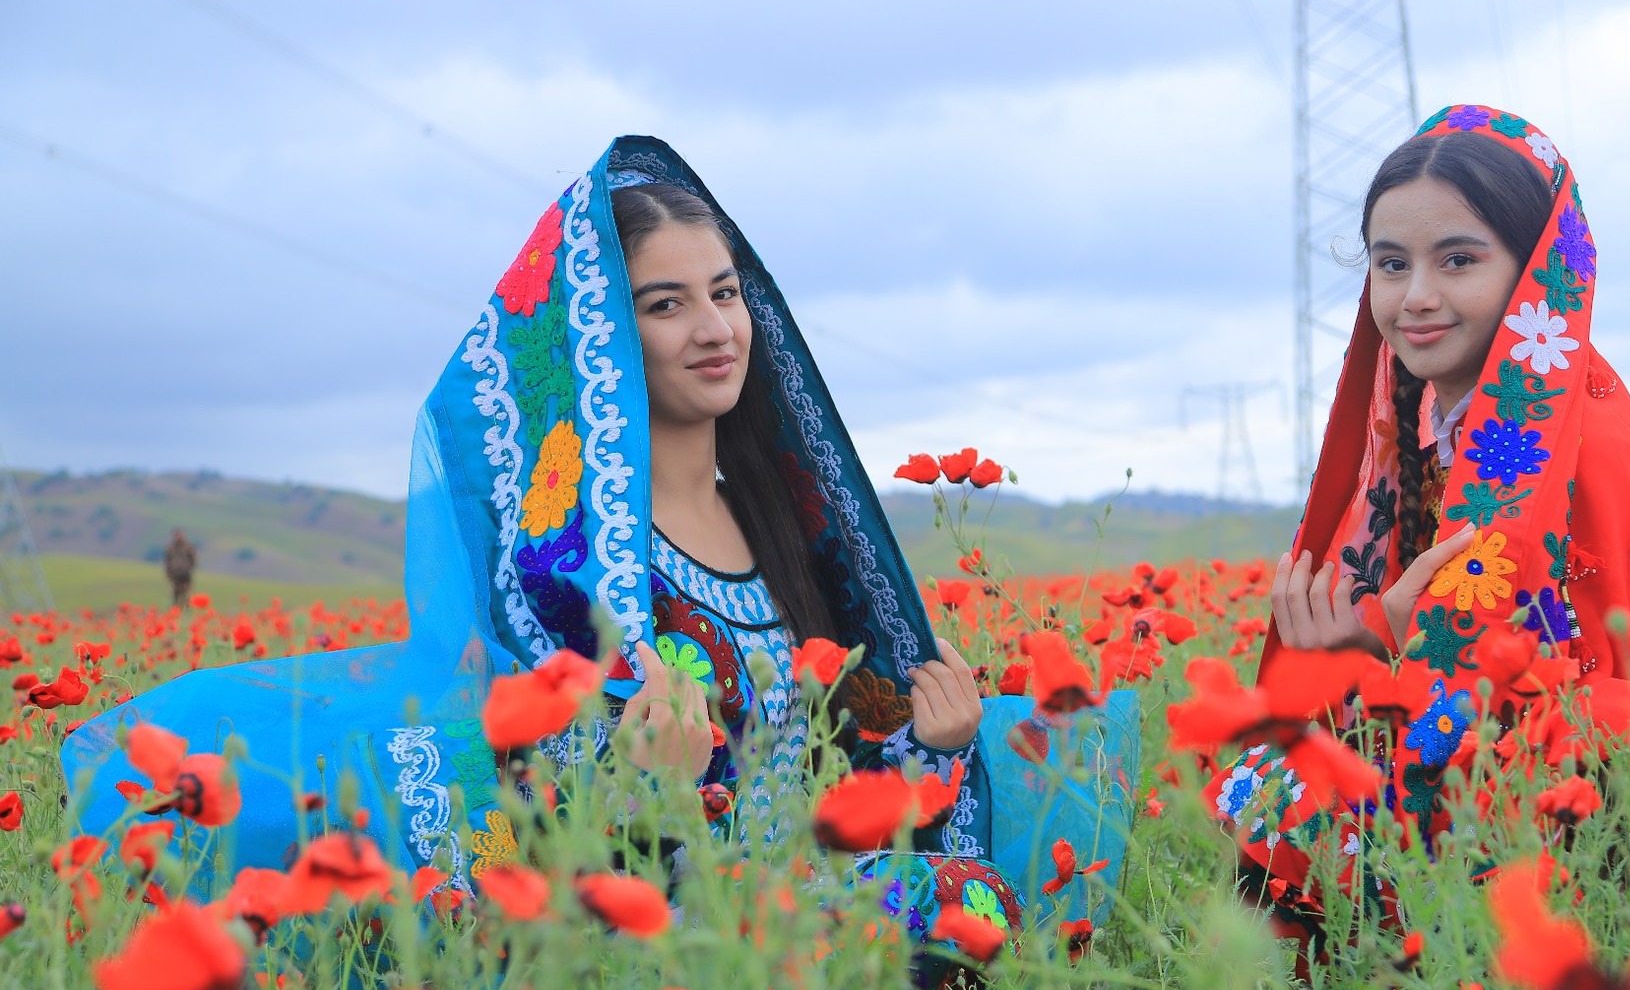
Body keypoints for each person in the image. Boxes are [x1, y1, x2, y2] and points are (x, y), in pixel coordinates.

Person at [64, 136, 1050, 936]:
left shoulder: (787, 534)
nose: (715, 328)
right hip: (664, 934)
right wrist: (641, 793)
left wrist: (934, 745)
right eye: (665, 305)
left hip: (810, 905)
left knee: (967, 899)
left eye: (724, 292)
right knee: (946, 914)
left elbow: (842, 780)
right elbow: (507, 819)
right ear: (603, 339)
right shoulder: (562, 570)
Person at [1220, 104, 1630, 932]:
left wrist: (1418, 646)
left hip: (1605, 807)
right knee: (1267, 782)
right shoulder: (1420, 427)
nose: (1417, 297)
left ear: (1538, 270)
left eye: (1458, 260)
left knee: (1309, 798)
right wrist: (1366, 650)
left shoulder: (1606, 450)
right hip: (1477, 756)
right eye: (1392, 264)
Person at [163, 528, 196, 607]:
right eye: (177, 536)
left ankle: (186, 608)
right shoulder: (170, 548)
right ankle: (176, 608)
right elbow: (167, 561)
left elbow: (193, 560)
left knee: (186, 593)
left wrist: (188, 568)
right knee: (176, 593)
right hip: (174, 574)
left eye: (180, 535)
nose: (179, 537)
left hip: (185, 573)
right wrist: (168, 573)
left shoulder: (188, 547)